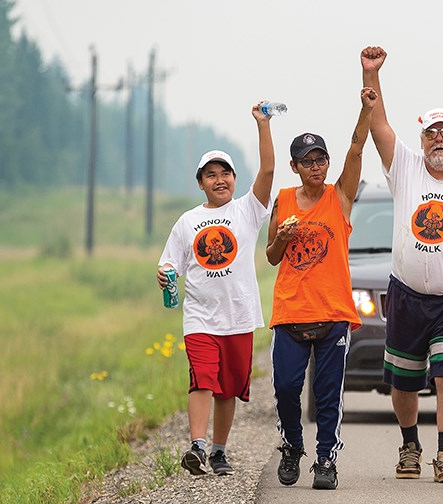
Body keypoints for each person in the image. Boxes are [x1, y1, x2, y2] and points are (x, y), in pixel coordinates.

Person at [361, 46, 443, 484]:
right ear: (422, 141)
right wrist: (371, 74)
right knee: (403, 382)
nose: (439, 139)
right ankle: (410, 446)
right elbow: (378, 124)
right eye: (432, 133)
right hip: (406, 295)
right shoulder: (406, 168)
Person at [267, 86, 377, 490]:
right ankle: (293, 446)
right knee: (285, 388)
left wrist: (366, 109)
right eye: (307, 162)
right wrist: (282, 236)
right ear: (295, 167)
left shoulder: (340, 196)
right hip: (291, 313)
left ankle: (326, 459)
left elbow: (356, 149)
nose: (316, 166)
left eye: (321, 159)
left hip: (332, 314)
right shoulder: (282, 201)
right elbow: (271, 256)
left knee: (328, 394)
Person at [156, 102, 275, 476]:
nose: (219, 179)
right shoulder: (188, 221)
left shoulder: (248, 211)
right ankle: (197, 446)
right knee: (202, 380)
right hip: (200, 318)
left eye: (226, 173)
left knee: (228, 389)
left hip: (238, 316)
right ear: (200, 182)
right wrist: (165, 275)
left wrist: (263, 125)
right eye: (211, 174)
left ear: (235, 179)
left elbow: (269, 169)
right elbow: (170, 262)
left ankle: (219, 451)